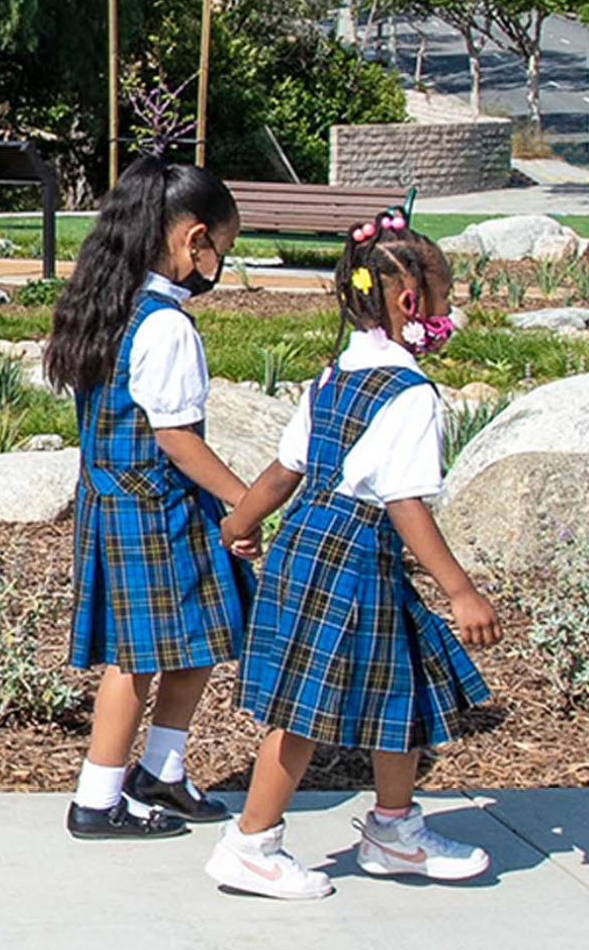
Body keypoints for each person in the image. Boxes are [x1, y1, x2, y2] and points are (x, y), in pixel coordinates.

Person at [212, 214, 501, 902]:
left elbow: (287, 470)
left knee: (401, 686)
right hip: (348, 558)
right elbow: (404, 503)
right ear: (410, 305)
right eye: (443, 294)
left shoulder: (331, 379)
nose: (447, 307)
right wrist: (460, 590)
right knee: (304, 710)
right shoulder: (410, 396)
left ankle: (393, 830)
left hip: (313, 545)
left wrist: (239, 523)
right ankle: (250, 844)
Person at [43, 156, 252, 839]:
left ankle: (160, 770)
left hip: (119, 503)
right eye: (223, 247)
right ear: (194, 240)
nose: (220, 262)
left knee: (193, 642)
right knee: (137, 661)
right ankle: (97, 799)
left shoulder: (110, 304)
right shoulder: (164, 326)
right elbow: (177, 439)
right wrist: (246, 503)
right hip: (155, 508)